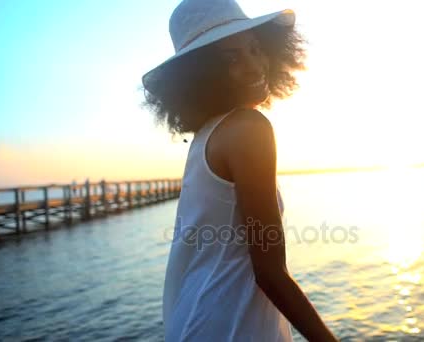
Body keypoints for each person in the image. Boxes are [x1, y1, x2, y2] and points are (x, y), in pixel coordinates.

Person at [142, 0, 338, 341]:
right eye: (231, 58)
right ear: (201, 76)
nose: (253, 66)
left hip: (199, 319)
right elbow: (270, 272)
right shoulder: (249, 128)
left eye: (254, 48)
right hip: (233, 323)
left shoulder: (207, 137)